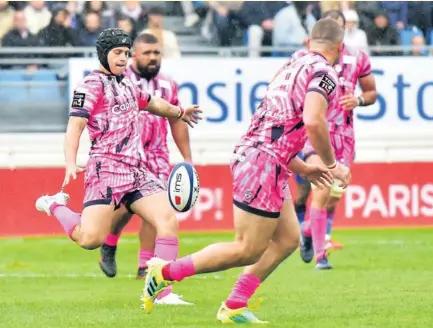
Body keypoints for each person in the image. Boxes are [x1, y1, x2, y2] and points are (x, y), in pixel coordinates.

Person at [142, 18, 350, 323]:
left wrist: (302, 166)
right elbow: (314, 121)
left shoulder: (292, 64)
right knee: (247, 249)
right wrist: (332, 164)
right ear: (340, 48)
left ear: (309, 42)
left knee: (289, 239)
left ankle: (236, 303)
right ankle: (164, 272)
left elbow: (276, 124)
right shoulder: (324, 73)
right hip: (262, 163)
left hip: (268, 159)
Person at [35, 29, 201, 297]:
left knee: (167, 219)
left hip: (137, 171)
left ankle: (163, 295)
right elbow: (74, 126)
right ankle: (54, 204)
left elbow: (154, 103)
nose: (124, 59)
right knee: (90, 239)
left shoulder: (127, 83)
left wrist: (180, 112)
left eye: (126, 53)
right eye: (118, 53)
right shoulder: (89, 86)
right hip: (106, 172)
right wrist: (70, 162)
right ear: (103, 53)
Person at [98, 33, 193, 305]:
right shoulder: (120, 80)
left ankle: (146, 264)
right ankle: (110, 240)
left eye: (157, 53)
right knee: (126, 208)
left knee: (159, 214)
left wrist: (186, 157)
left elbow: (177, 120)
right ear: (134, 55)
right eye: (147, 53)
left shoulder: (168, 85)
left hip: (158, 154)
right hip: (126, 154)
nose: (153, 57)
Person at [291, 10, 377, 269]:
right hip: (313, 133)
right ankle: (321, 256)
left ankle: (307, 231)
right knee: (321, 189)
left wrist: (359, 100)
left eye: (338, 28)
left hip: (344, 135)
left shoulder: (358, 58)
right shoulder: (301, 58)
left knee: (332, 199)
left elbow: (372, 92)